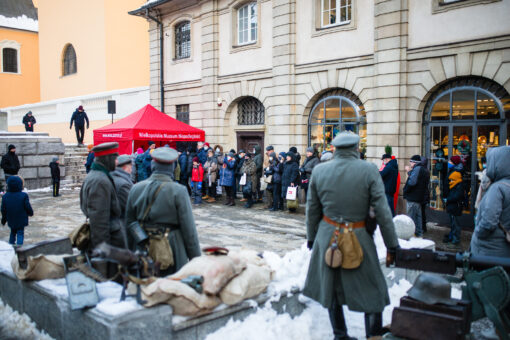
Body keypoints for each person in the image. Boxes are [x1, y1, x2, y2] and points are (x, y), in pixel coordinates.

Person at [303, 132, 399, 340]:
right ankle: (373, 335)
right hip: (358, 235)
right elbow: (382, 210)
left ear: (335, 148)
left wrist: (311, 238)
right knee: (373, 289)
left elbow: (312, 209)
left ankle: (340, 335)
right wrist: (392, 244)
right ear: (357, 148)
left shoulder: (320, 171)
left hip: (327, 235)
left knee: (332, 287)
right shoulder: (369, 170)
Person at [126, 147, 201, 276]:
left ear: (153, 165)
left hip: (142, 247)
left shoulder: (136, 188)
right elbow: (189, 231)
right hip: (172, 249)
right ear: (172, 167)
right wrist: (196, 261)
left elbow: (129, 222)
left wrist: (131, 251)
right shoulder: (179, 191)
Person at [80, 142, 127, 277]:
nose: (117, 162)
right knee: (113, 281)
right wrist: (103, 254)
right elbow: (99, 221)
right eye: (115, 158)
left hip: (111, 241)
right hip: (110, 244)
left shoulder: (97, 176)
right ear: (107, 159)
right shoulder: (100, 181)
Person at [471, 146, 510, 257]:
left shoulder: (497, 188)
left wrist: (478, 233)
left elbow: (488, 222)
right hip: (504, 250)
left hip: (489, 250)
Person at [1, 176, 33, 247]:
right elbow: (27, 206)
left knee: (12, 233)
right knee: (20, 233)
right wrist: (30, 213)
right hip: (21, 219)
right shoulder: (23, 195)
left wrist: (3, 219)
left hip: (11, 219)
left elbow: (3, 209)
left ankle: (11, 247)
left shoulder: (5, 196)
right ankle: (19, 248)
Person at [403, 155, 428, 237]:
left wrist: (406, 190)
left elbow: (412, 182)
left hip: (413, 197)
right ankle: (419, 235)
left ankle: (411, 236)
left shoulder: (417, 169)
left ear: (414, 162)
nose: (410, 163)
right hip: (418, 197)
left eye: (411, 161)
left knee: (411, 218)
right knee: (418, 218)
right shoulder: (424, 169)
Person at [444, 161, 463, 246]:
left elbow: (456, 196)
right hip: (452, 206)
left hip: (455, 206)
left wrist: (448, 199)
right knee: (453, 223)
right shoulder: (453, 185)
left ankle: (456, 239)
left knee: (456, 224)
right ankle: (452, 237)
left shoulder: (458, 186)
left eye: (452, 179)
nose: (450, 181)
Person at [110, 155, 134, 223]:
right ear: (124, 167)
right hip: (121, 223)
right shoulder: (123, 184)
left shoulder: (112, 177)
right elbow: (131, 206)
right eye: (131, 167)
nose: (131, 170)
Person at [420, 156, 431, 232]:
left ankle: (423, 227)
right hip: (424, 194)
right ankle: (423, 227)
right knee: (422, 212)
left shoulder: (423, 171)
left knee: (421, 212)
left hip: (422, 195)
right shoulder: (426, 170)